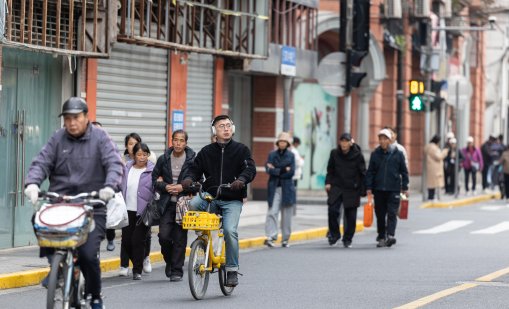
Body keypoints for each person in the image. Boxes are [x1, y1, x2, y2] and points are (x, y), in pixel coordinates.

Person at [24, 97, 123, 309]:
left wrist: (109, 187)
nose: (71, 123)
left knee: (88, 255)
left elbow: (114, 163)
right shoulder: (58, 138)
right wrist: (32, 184)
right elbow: (42, 161)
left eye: (76, 117)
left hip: (91, 204)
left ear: (86, 117)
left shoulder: (100, 138)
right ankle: (56, 264)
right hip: (59, 202)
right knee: (38, 220)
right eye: (67, 118)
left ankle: (95, 297)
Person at [182, 115, 256, 287]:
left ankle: (231, 269)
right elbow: (194, 169)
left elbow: (250, 169)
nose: (226, 128)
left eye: (229, 125)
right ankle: (203, 238)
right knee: (192, 204)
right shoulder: (206, 151)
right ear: (215, 130)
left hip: (232, 200)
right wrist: (188, 179)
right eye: (222, 126)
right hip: (210, 197)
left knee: (230, 231)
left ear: (233, 128)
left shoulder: (241, 150)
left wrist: (242, 180)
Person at [152, 130, 196, 282]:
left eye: (181, 140)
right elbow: (153, 179)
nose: (178, 143)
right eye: (175, 140)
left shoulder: (192, 160)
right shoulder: (163, 158)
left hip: (183, 205)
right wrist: (165, 187)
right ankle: (170, 261)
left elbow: (197, 182)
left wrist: (182, 188)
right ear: (172, 141)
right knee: (163, 236)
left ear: (185, 143)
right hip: (166, 204)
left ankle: (177, 270)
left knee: (179, 239)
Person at [365, 129, 409, 248]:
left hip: (393, 189)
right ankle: (381, 236)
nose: (382, 141)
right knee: (380, 214)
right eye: (380, 138)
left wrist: (405, 187)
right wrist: (369, 187)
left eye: (385, 138)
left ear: (390, 140)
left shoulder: (398, 154)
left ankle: (390, 235)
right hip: (378, 189)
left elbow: (404, 172)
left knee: (392, 213)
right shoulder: (375, 154)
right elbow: (370, 172)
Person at [119, 133, 153, 276]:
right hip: (127, 210)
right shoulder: (127, 167)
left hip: (143, 211)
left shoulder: (152, 170)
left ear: (148, 156)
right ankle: (137, 262)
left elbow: (157, 188)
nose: (141, 157)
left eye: (144, 155)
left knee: (137, 241)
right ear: (134, 155)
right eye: (139, 154)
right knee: (126, 241)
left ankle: (137, 270)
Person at [325, 133, 366, 248]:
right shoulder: (334, 153)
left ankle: (348, 239)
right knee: (332, 210)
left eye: (346, 141)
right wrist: (328, 182)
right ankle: (334, 235)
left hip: (352, 188)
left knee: (351, 216)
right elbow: (330, 170)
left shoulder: (358, 155)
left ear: (350, 143)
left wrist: (364, 189)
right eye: (342, 141)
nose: (344, 143)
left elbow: (363, 172)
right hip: (337, 186)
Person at [264, 132, 296, 248]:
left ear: (287, 144)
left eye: (284, 142)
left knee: (287, 214)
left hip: (287, 188)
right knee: (272, 211)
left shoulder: (291, 155)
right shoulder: (271, 154)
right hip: (274, 187)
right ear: (277, 142)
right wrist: (283, 169)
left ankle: (285, 239)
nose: (282, 143)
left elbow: (291, 172)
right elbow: (268, 169)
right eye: (280, 141)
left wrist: (276, 169)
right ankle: (271, 237)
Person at [424, 135, 448, 201]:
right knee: (433, 183)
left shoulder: (430, 147)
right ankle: (431, 197)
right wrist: (444, 152)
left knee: (432, 183)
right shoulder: (433, 148)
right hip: (434, 168)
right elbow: (438, 157)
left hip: (432, 167)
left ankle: (431, 197)